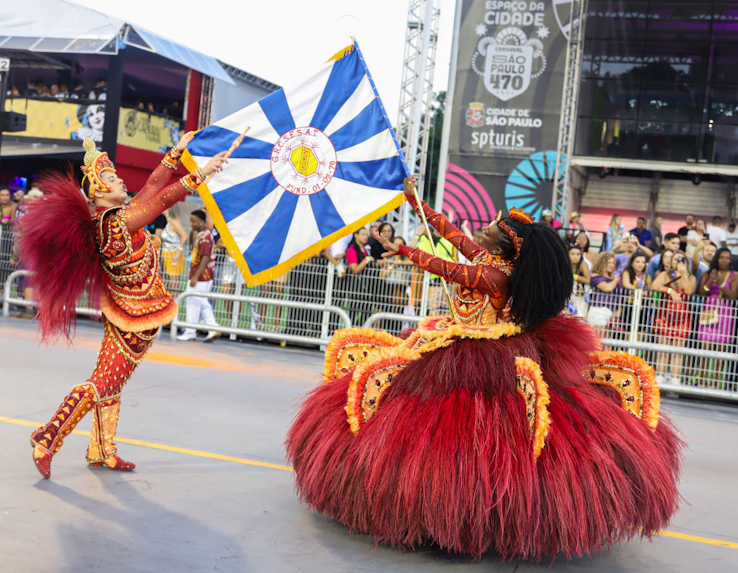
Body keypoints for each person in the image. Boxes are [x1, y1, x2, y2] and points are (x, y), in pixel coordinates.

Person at [286, 175, 682, 560]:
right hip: (454, 338)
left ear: (506, 243)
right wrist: (413, 201)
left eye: (492, 226)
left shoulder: (492, 274)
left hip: (481, 354)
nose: (485, 227)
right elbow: (449, 232)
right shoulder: (490, 258)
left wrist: (400, 248)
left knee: (465, 433)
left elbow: (445, 267)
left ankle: (462, 513)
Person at [20, 136, 228, 479]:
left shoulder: (120, 216)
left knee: (112, 383)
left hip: (132, 313)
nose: (122, 181)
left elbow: (151, 187)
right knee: (101, 384)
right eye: (114, 180)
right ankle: (47, 437)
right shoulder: (113, 223)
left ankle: (102, 449)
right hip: (132, 317)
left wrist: (175, 153)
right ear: (99, 193)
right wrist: (200, 174)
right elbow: (160, 198)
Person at [176, 210, 222, 342]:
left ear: (202, 222)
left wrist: (196, 276)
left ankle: (198, 330)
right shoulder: (200, 234)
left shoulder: (206, 237)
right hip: (199, 273)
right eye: (190, 221)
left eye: (193, 221)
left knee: (196, 300)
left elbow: (205, 257)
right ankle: (206, 329)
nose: (191, 224)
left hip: (202, 274)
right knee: (197, 301)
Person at [651, 251, 696, 384]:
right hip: (665, 314)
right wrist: (669, 290)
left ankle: (675, 378)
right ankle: (660, 375)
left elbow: (688, 290)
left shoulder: (691, 277)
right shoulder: (666, 275)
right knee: (663, 347)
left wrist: (683, 275)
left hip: (682, 317)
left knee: (678, 349)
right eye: (676, 259)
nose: (678, 262)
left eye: (681, 260)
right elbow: (654, 285)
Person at [696, 248, 738, 386]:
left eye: (727, 258)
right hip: (709, 309)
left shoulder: (735, 275)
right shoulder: (707, 273)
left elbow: (733, 295)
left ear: (730, 260)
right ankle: (701, 380)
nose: (724, 261)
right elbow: (702, 292)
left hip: (725, 313)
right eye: (721, 257)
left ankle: (714, 382)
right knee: (705, 347)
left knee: (721, 350)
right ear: (717, 258)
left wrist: (720, 283)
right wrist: (710, 282)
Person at [588, 252, 622, 337]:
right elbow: (607, 288)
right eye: (608, 263)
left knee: (607, 343)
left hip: (611, 313)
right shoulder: (596, 276)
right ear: (602, 263)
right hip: (599, 311)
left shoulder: (612, 278)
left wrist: (618, 310)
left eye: (613, 263)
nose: (611, 265)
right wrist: (616, 281)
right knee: (598, 340)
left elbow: (617, 296)